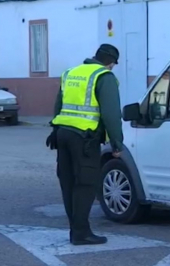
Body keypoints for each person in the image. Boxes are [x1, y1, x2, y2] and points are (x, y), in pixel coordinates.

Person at [46, 44, 124, 246]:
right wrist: (117, 144)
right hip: (85, 139)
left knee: (68, 182)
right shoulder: (104, 77)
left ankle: (76, 229)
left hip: (63, 134)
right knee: (86, 183)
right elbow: (111, 114)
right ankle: (81, 233)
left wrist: (55, 130)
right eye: (114, 65)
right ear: (110, 62)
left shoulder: (71, 73)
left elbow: (58, 105)